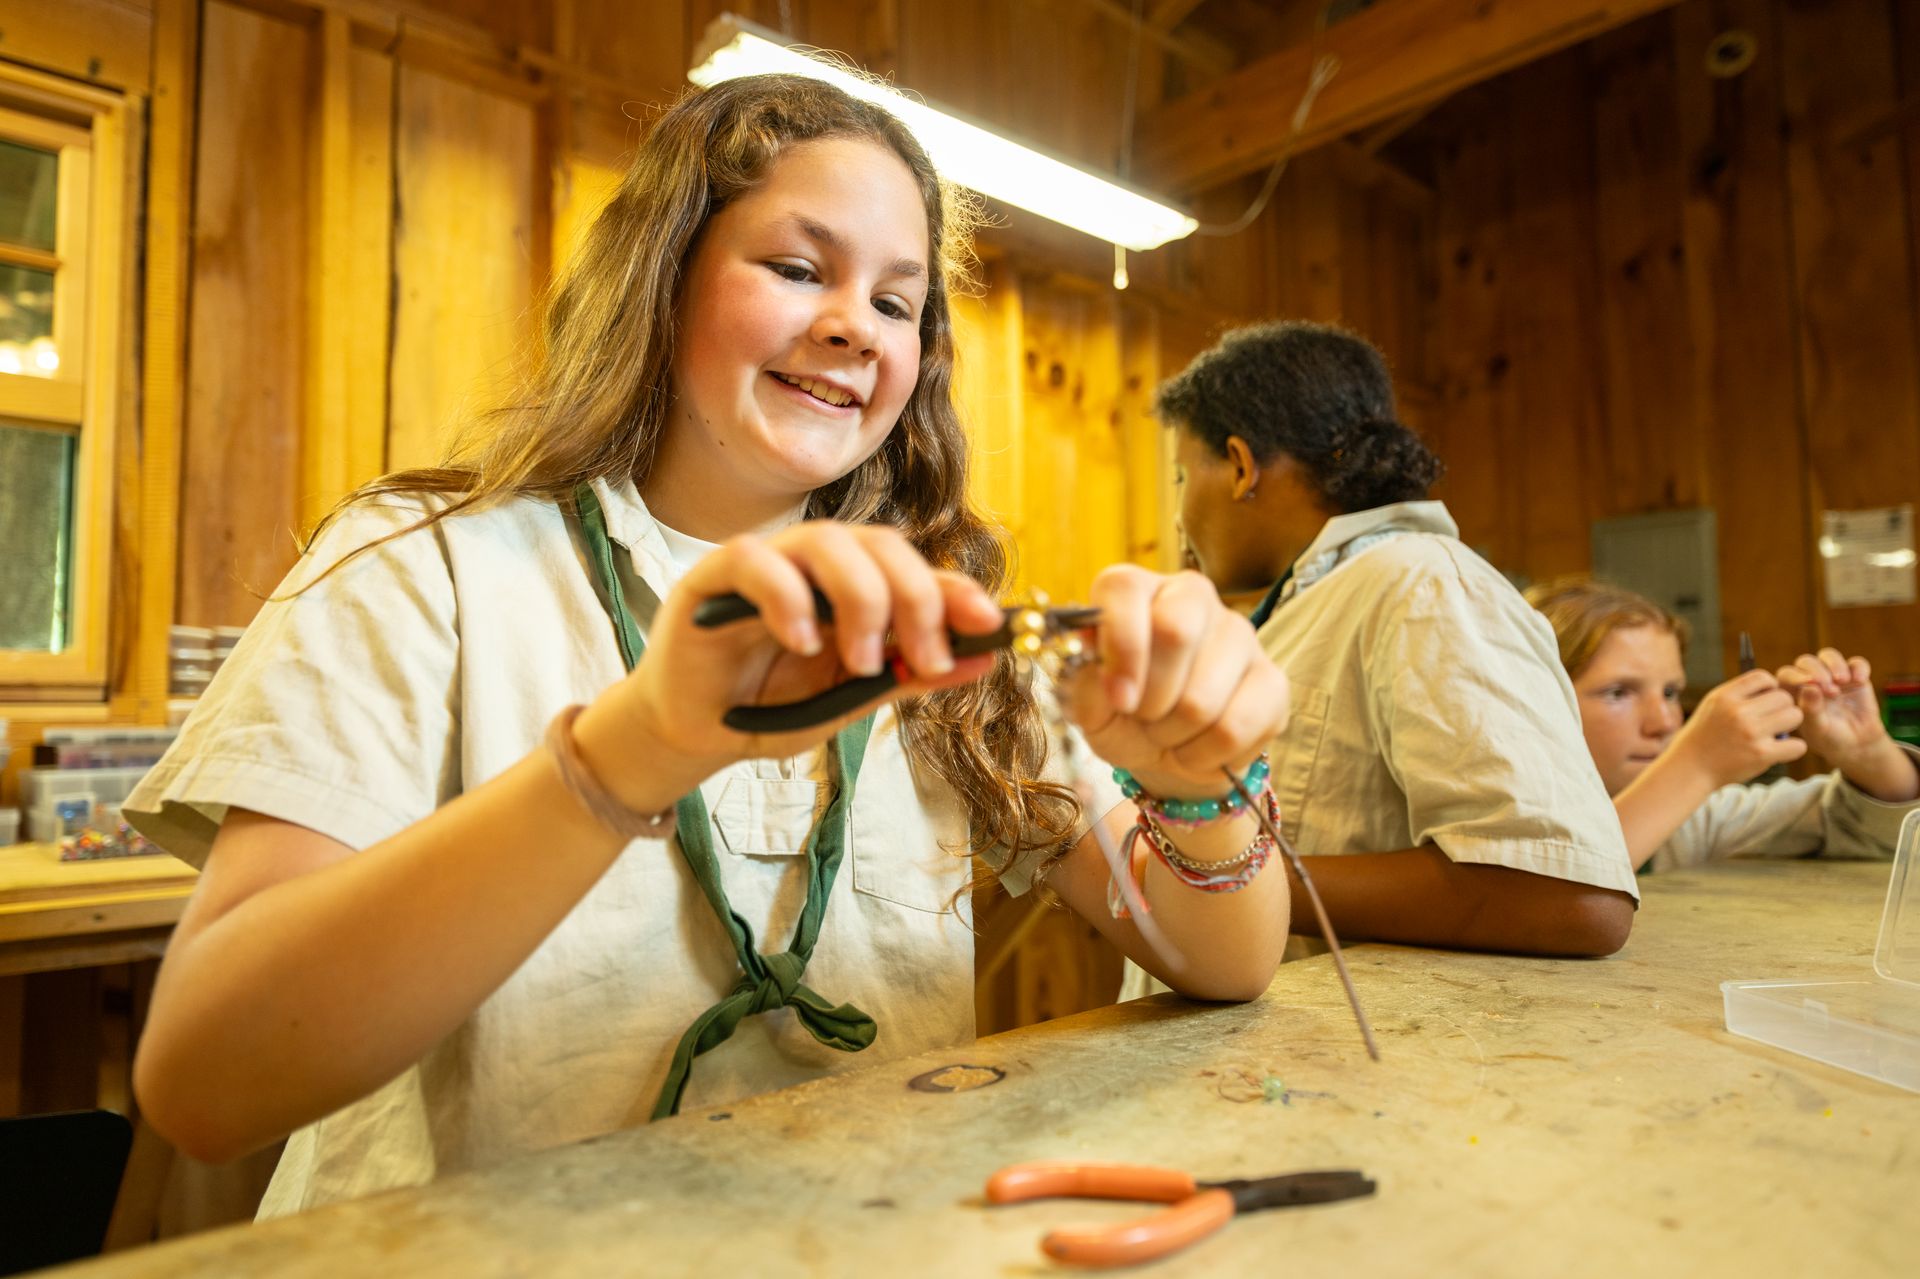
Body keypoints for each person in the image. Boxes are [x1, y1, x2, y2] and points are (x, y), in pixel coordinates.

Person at [122, 75, 1294, 1217]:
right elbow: (207, 1081)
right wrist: (633, 750)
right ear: (662, 278)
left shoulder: (939, 626)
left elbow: (1228, 959)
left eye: (897, 303)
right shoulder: (425, 564)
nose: (854, 324)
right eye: (797, 269)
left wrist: (1200, 787)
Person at [1125, 319, 1635, 1013]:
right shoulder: (1309, 605)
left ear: (1241, 466)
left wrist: (1212, 880)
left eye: (1184, 475)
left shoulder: (1424, 585)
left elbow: (1569, 896)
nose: (1180, 516)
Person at [1526, 579, 1920, 871]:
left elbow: (1870, 830)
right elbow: (1562, 884)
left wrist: (1868, 752)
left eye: (1670, 692)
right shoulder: (1504, 819)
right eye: (1618, 692)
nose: (1665, 722)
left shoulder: (1696, 819)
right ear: (1533, 699)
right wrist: (1696, 765)